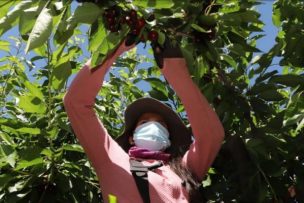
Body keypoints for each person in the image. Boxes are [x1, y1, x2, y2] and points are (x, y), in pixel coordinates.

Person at [63, 37, 225, 203]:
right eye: (144, 122)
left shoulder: (183, 169)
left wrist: (175, 71)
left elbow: (211, 137)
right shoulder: (111, 159)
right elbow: (76, 102)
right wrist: (116, 44)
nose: (153, 126)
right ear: (131, 137)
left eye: (161, 124)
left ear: (168, 139)